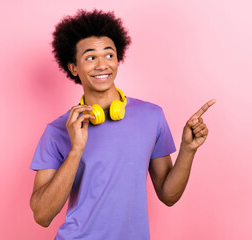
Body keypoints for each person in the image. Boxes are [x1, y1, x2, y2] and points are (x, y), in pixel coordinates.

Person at [29, 9, 216, 240]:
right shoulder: (58, 130)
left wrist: (188, 149)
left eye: (109, 55)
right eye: (90, 57)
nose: (102, 65)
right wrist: (76, 149)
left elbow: (168, 196)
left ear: (118, 59)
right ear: (73, 67)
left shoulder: (151, 116)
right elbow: (42, 215)